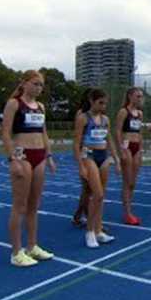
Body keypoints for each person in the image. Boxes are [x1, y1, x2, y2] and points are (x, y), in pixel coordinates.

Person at [2, 70, 56, 267]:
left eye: (41, 85)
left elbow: (44, 133)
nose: (38, 88)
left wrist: (49, 156)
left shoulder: (41, 107)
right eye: (35, 84)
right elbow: (6, 134)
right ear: (24, 83)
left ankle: (32, 246)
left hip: (39, 156)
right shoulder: (14, 104)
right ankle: (16, 252)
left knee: (34, 205)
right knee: (20, 205)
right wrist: (12, 160)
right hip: (22, 156)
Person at [74, 89, 120, 248]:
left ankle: (99, 230)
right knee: (97, 194)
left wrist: (116, 160)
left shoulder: (106, 119)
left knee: (101, 196)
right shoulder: (83, 118)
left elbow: (109, 140)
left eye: (105, 103)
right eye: (100, 103)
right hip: (89, 155)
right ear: (92, 101)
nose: (103, 106)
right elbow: (76, 143)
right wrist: (80, 165)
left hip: (104, 155)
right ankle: (90, 231)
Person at [115, 87, 144, 225]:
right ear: (130, 96)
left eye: (141, 96)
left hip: (136, 147)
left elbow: (140, 132)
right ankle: (127, 213)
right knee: (127, 182)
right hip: (127, 146)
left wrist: (141, 149)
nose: (140, 99)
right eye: (137, 96)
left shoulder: (139, 114)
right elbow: (117, 131)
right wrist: (121, 150)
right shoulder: (123, 112)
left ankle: (129, 210)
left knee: (132, 182)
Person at [71, 88, 92, 227]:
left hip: (96, 154)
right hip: (85, 154)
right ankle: (91, 219)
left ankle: (78, 215)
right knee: (88, 187)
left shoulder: (99, 115)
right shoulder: (82, 114)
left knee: (88, 189)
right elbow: (77, 138)